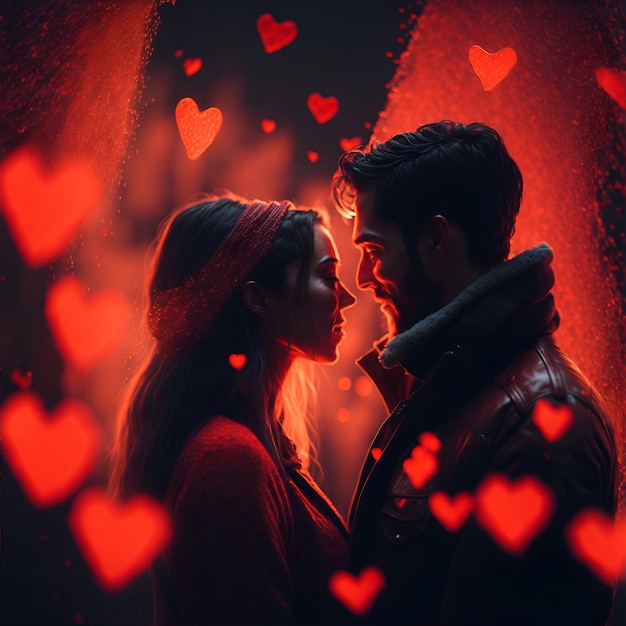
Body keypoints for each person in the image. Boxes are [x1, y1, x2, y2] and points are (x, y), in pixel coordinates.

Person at [331, 120, 618, 625]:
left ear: (437, 239)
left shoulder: (544, 420)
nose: (362, 279)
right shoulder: (453, 386)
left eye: (374, 251)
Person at [108, 194, 356, 625]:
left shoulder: (251, 447)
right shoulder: (227, 459)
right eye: (328, 276)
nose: (348, 297)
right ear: (258, 299)